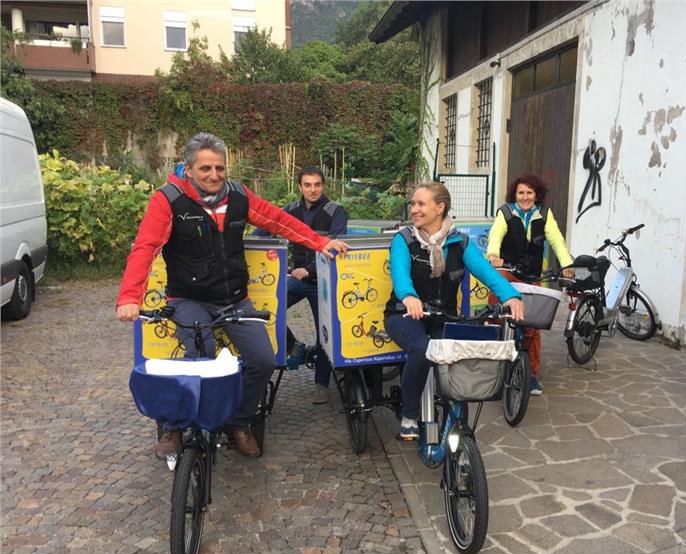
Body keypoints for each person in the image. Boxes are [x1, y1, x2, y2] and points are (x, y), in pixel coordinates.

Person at [116, 132, 349, 459]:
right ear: (188, 168)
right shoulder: (168, 200)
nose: (214, 175)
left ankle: (238, 422)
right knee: (200, 355)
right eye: (205, 168)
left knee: (264, 360)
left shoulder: (239, 195)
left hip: (234, 300)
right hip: (188, 298)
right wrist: (129, 297)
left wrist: (320, 242)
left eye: (220, 168)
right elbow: (146, 247)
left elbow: (278, 220)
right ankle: (174, 427)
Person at [384, 182, 524, 441]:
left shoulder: (460, 243)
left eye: (421, 204)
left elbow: (486, 272)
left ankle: (457, 422)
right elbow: (400, 272)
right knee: (421, 348)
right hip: (404, 314)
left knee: (461, 355)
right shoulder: (404, 240)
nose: (414, 209)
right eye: (413, 204)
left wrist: (511, 296)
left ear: (440, 208)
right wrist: (409, 297)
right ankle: (410, 414)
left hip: (444, 316)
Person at [485, 173, 574, 396]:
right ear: (514, 195)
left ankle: (532, 375)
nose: (525, 197)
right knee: (497, 310)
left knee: (533, 326)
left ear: (536, 195)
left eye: (529, 193)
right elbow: (495, 236)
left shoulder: (544, 214)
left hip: (532, 274)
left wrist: (566, 264)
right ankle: (492, 360)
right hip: (508, 270)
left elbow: (556, 240)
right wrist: (493, 255)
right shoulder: (506, 212)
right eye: (521, 193)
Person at [276, 166, 347, 404]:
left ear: (323, 186)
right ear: (300, 187)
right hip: (296, 279)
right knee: (269, 307)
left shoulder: (335, 211)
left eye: (317, 184)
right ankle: (293, 345)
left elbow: (336, 248)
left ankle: (321, 384)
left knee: (325, 334)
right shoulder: (290, 210)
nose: (312, 189)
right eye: (307, 185)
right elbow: (265, 228)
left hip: (321, 282)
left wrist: (309, 270)